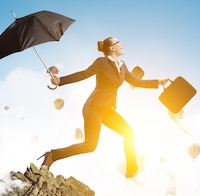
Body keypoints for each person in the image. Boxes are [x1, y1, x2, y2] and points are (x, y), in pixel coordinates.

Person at [38, 37, 170, 178]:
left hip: (107, 110)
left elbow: (136, 82)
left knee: (129, 134)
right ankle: (52, 155)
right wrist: (61, 81)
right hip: (93, 107)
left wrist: (158, 82)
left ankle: (131, 171)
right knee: (90, 146)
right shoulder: (101, 62)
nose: (122, 44)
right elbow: (84, 74)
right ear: (112, 48)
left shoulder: (123, 66)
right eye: (119, 43)